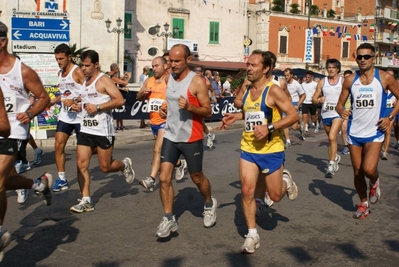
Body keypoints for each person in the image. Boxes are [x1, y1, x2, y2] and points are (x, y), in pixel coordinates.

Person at [220, 50, 298, 254]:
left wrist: (270, 128)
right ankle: (252, 234)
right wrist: (236, 117)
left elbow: (293, 116)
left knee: (275, 196)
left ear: (265, 69)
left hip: (272, 149)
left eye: (254, 65)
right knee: (246, 191)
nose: (249, 68)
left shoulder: (274, 91)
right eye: (248, 64)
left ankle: (285, 181)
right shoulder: (247, 88)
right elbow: (252, 111)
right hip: (249, 148)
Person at [0, 21, 53, 261]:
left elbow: (44, 97)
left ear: (2, 41)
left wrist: (30, 113)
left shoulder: (22, 71)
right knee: (6, 181)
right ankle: (38, 185)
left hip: (13, 130)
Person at [156, 44, 217, 238]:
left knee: (196, 177)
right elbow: (171, 102)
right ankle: (168, 218)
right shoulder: (168, 77)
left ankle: (208, 204)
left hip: (191, 137)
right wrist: (165, 109)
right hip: (171, 136)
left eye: (176, 61)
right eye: (170, 61)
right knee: (164, 178)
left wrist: (191, 107)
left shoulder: (197, 81)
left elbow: (208, 111)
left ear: (187, 60)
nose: (171, 65)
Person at [336, 43, 399, 220]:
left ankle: (374, 181)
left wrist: (390, 117)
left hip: (375, 131)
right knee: (357, 171)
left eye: (366, 57)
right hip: (354, 132)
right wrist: (343, 112)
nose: (362, 60)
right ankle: (363, 203)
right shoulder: (350, 80)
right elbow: (339, 105)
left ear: (374, 58)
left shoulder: (385, 78)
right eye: (359, 57)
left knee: (369, 169)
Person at [69, 50, 135, 212]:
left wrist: (98, 107)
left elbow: (119, 100)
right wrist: (78, 106)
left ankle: (124, 165)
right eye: (82, 66)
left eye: (87, 66)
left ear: (96, 64)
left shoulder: (104, 80)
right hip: (86, 129)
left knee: (105, 167)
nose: (83, 69)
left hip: (103, 130)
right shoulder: (85, 81)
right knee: (81, 164)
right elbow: (86, 102)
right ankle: (86, 200)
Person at [137, 56, 187, 191]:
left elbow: (179, 98)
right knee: (163, 151)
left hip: (166, 121)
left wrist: (168, 109)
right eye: (153, 66)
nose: (154, 69)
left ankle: (151, 179)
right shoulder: (149, 81)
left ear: (165, 66)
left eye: (157, 66)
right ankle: (179, 163)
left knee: (157, 149)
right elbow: (139, 97)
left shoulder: (169, 80)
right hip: (153, 121)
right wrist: (142, 93)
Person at [51, 43, 86, 192]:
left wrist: (76, 101)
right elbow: (64, 94)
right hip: (66, 115)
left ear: (69, 57)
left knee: (89, 151)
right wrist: (51, 100)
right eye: (57, 59)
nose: (59, 62)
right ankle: (62, 178)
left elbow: (89, 89)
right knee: (58, 145)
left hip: (80, 117)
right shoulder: (60, 73)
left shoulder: (76, 71)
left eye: (61, 59)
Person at [312, 59, 343, 177]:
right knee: (331, 140)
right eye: (329, 67)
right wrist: (318, 100)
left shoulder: (343, 81)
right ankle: (334, 157)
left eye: (333, 68)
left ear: (338, 69)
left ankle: (330, 164)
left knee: (332, 136)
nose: (330, 70)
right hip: (326, 114)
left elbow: (350, 95)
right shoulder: (322, 82)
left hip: (337, 114)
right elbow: (314, 99)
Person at [283, 68, 306, 147]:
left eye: (288, 75)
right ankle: (288, 141)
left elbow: (303, 95)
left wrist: (298, 105)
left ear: (291, 75)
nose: (286, 77)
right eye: (285, 75)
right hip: (285, 104)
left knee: (293, 127)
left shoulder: (296, 84)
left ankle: (300, 127)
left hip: (294, 104)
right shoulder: (283, 83)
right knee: (284, 124)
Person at [107, 63, 131, 132]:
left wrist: (122, 77)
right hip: (110, 98)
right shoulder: (113, 77)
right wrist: (129, 77)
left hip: (107, 97)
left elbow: (117, 80)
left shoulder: (107, 75)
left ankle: (112, 128)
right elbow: (124, 83)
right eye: (118, 68)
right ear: (116, 69)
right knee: (111, 114)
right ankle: (111, 129)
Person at [380, 68, 396, 160]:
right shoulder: (381, 85)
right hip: (381, 110)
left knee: (388, 131)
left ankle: (385, 152)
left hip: (390, 110)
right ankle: (378, 147)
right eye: (388, 74)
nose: (390, 76)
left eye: (392, 75)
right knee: (380, 130)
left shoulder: (395, 86)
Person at [300, 71, 318, 139]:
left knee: (313, 118)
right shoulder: (303, 84)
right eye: (306, 77)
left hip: (312, 103)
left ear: (312, 77)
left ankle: (316, 124)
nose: (306, 78)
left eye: (308, 77)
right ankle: (305, 128)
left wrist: (315, 97)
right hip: (305, 102)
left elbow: (319, 92)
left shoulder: (315, 84)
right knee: (304, 117)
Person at [340, 70, 353, 155]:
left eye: (349, 77)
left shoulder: (356, 85)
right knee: (344, 129)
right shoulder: (340, 86)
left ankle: (353, 145)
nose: (347, 78)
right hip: (344, 110)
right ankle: (345, 146)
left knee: (352, 130)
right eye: (346, 77)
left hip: (353, 110)